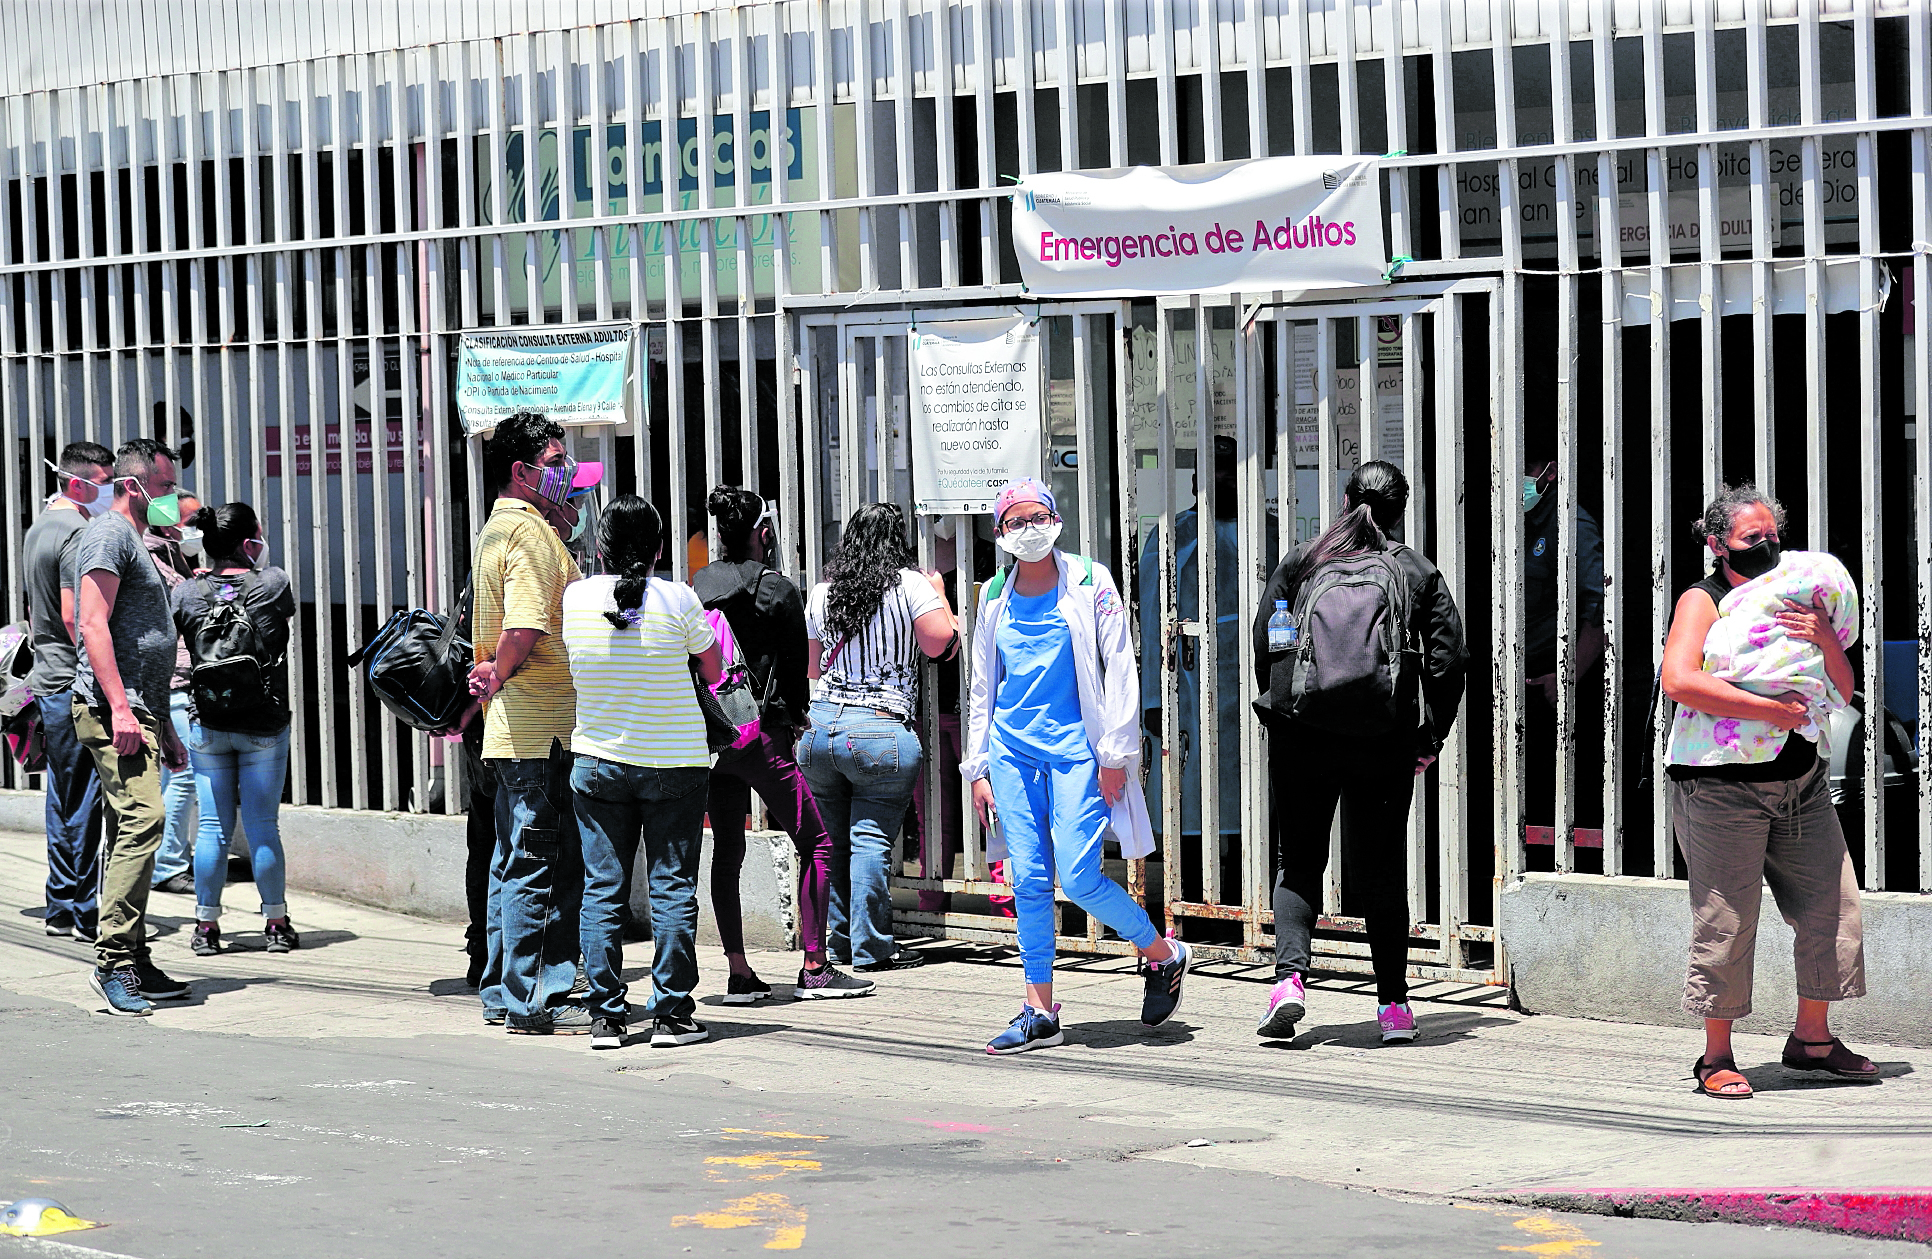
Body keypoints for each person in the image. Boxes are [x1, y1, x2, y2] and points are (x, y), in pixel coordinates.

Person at [1660, 485, 1875, 1099]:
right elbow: (1679, 679)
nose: (1766, 546)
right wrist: (1766, 710)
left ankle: (1812, 1040)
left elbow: (1840, 685)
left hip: (1800, 779)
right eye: (1751, 539)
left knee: (1831, 908)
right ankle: (1716, 1056)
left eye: (1771, 535)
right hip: (1724, 786)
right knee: (1727, 921)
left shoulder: (1798, 596)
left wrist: (1824, 635)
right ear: (1716, 544)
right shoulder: (1705, 599)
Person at [963, 478, 1188, 1055]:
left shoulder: (1091, 581)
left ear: (1057, 520)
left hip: (1077, 754)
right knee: (1031, 881)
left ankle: (1160, 953)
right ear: (1000, 534)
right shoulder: (993, 597)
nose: (1029, 529)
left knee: (1081, 875)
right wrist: (979, 767)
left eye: (1039, 517)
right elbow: (983, 686)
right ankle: (1039, 1008)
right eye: (1016, 521)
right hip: (1012, 753)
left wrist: (1116, 753)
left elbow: (1119, 666)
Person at [1250, 461, 1467, 1046]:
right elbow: (1449, 660)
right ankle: (1394, 1007)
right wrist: (1430, 736)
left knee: (1298, 858)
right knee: (1380, 869)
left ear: (1346, 499)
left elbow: (1263, 643)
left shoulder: (1304, 559)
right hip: (1383, 741)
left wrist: (1286, 709)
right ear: (1399, 509)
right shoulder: (1414, 569)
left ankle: (1290, 982)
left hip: (1303, 739)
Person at [692, 487, 873, 1002]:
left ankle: (738, 971)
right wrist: (794, 720)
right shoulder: (777, 590)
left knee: (726, 852)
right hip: (762, 737)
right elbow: (796, 671)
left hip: (712, 739)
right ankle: (815, 966)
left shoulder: (699, 584)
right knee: (817, 842)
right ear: (763, 533)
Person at [563, 495, 722, 1049]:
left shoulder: (576, 597)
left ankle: (605, 1016)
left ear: (601, 547)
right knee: (671, 886)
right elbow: (714, 667)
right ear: (659, 548)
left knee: (601, 890)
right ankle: (672, 1014)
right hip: (674, 763)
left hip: (598, 764)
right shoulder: (678, 598)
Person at [466, 412, 603, 1035]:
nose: (565, 472)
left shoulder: (503, 528)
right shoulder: (528, 537)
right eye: (554, 462)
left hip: (513, 729)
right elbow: (525, 625)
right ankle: (533, 994)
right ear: (521, 472)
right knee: (542, 863)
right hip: (541, 729)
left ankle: (503, 989)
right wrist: (498, 669)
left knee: (511, 860)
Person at [801, 502, 957, 972]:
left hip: (820, 728)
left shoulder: (822, 591)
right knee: (870, 841)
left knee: (832, 842)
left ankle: (839, 941)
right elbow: (940, 644)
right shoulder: (910, 583)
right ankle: (873, 949)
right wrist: (941, 593)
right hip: (879, 729)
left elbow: (811, 667)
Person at [68, 437, 193, 1015]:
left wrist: (161, 725)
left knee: (129, 829)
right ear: (135, 484)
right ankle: (114, 960)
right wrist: (121, 708)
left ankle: (135, 956)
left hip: (141, 707)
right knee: (146, 817)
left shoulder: (137, 540)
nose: (173, 498)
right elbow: (91, 624)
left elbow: (147, 643)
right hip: (108, 707)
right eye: (166, 488)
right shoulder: (109, 535)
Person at [170, 503, 298, 956]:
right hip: (263, 721)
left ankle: (205, 928)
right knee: (263, 824)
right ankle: (276, 924)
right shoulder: (272, 582)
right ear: (249, 543)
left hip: (207, 721)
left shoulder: (186, 593)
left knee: (211, 828)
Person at [24, 441, 115, 943]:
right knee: (83, 798)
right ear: (79, 483)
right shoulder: (79, 532)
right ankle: (84, 909)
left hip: (47, 676)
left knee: (63, 795)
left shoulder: (39, 527)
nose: (111, 491)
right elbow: (73, 614)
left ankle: (60, 904)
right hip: (70, 680)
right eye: (105, 481)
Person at [1520, 448, 1607, 840]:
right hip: (1521, 690)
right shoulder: (1518, 520)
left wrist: (1566, 677)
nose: (1520, 480)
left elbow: (1599, 611)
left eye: (1528, 469)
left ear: (1550, 471)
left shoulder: (1571, 523)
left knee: (1565, 799)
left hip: (1558, 690)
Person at [147, 492, 203, 897]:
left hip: (182, 677)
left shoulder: (176, 556)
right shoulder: (155, 561)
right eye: (192, 520)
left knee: (179, 775)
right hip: (174, 679)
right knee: (184, 777)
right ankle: (167, 864)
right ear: (168, 523)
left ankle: (169, 858)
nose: (198, 528)